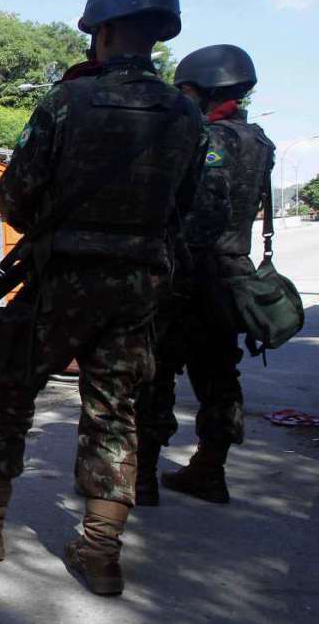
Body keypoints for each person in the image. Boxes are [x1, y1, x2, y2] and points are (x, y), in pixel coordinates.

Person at [0, 0, 207, 597]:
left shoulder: (67, 101)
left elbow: (18, 196)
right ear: (159, 33)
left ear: (103, 30)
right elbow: (186, 208)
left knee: (9, 394)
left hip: (63, 281)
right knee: (114, 411)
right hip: (138, 286)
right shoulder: (186, 116)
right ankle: (100, 550)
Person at [135, 45, 274, 506]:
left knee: (154, 375)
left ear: (199, 91)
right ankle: (210, 470)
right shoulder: (259, 142)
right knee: (219, 375)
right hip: (231, 276)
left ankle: (143, 478)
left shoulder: (199, 138)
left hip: (181, 276)